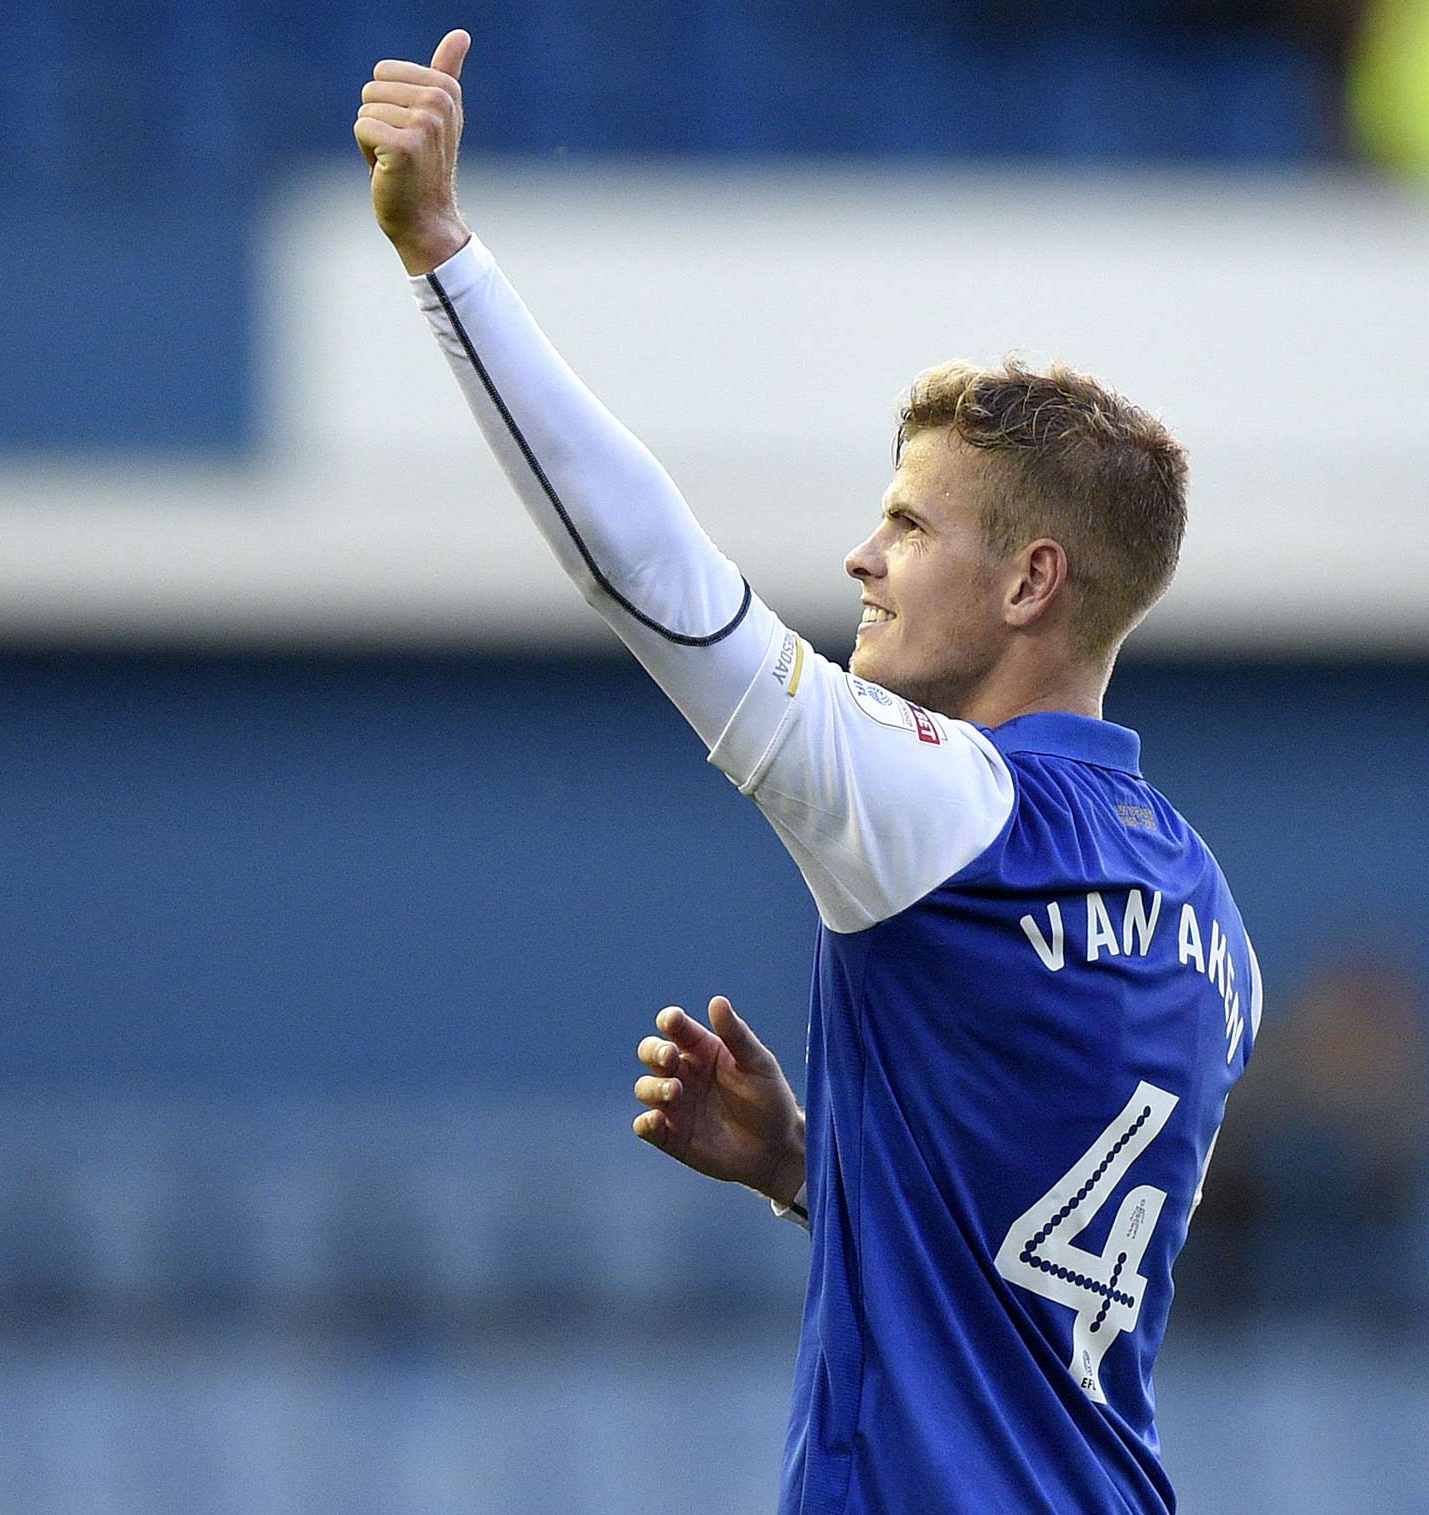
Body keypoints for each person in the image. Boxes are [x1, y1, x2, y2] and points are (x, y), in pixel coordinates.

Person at [354, 29, 1262, 1515]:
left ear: (1031, 582)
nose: (862, 556)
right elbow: (1036, 1277)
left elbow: (654, 582)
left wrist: (440, 251)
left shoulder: (953, 813)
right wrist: (806, 1166)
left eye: (910, 524)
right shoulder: (1211, 919)